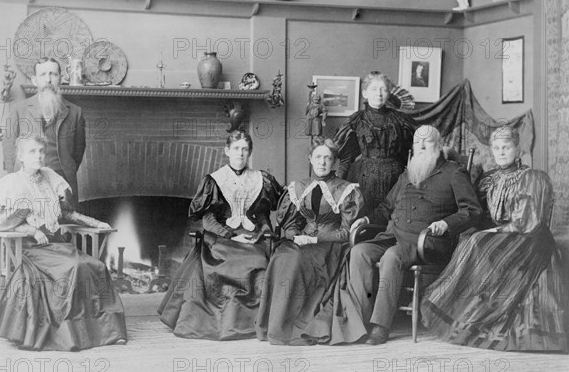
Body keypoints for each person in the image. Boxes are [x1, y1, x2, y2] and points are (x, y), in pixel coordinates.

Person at [421, 126, 569, 352]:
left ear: (518, 148)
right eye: (497, 148)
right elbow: (478, 213)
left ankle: (486, 316)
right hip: (503, 235)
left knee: (478, 244)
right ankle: (469, 314)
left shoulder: (532, 177)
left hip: (529, 237)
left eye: (507, 147)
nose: (501, 152)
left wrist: (488, 234)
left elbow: (525, 222)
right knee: (469, 241)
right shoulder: (488, 179)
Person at [0, 135, 127, 351]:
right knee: (73, 268)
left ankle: (108, 331)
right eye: (32, 151)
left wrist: (96, 222)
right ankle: (71, 335)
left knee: (96, 266)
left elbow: (67, 213)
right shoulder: (11, 184)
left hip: (58, 245)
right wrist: (30, 229)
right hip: (31, 249)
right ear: (21, 156)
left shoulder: (51, 177)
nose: (39, 155)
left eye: (41, 151)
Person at [345, 125, 481, 345]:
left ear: (438, 146)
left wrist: (446, 224)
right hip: (393, 235)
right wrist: (367, 220)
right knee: (359, 251)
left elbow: (472, 211)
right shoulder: (408, 173)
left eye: (427, 142)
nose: (421, 146)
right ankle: (359, 321)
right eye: (418, 142)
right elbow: (386, 207)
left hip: (426, 242)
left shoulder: (454, 172)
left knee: (392, 256)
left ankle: (381, 326)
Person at [158, 131, 284, 340]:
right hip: (221, 238)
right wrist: (232, 235)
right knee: (224, 263)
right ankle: (222, 323)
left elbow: (262, 215)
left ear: (250, 152)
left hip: (252, 237)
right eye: (236, 149)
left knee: (259, 262)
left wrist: (263, 232)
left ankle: (252, 323)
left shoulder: (260, 179)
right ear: (227, 151)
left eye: (245, 149)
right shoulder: (214, 180)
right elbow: (208, 220)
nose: (240, 154)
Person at [255, 137, 364, 345]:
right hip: (300, 241)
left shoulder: (346, 189)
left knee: (298, 262)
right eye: (318, 157)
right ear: (310, 159)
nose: (322, 162)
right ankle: (276, 326)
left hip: (329, 246)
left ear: (334, 162)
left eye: (328, 158)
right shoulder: (299, 186)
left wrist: (313, 238)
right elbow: (292, 223)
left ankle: (294, 327)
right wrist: (295, 236)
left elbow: (344, 232)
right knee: (283, 257)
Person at [2, 57, 86, 208]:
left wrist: (63, 170)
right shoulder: (18, 110)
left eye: (53, 74)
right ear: (35, 80)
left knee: (63, 229)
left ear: (60, 78)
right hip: (26, 185)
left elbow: (77, 154)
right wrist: (15, 179)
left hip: (62, 185)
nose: (48, 80)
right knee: (30, 229)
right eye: (43, 75)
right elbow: (9, 151)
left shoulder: (75, 113)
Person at [334, 71, 417, 213]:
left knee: (392, 216)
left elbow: (412, 150)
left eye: (383, 89)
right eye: (374, 89)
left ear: (389, 94)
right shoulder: (356, 120)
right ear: (365, 93)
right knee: (364, 216)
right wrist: (336, 184)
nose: (379, 93)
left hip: (395, 178)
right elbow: (347, 157)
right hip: (364, 178)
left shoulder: (400, 119)